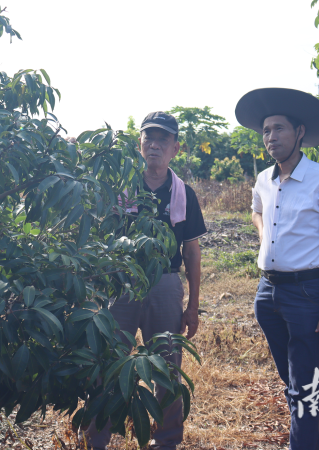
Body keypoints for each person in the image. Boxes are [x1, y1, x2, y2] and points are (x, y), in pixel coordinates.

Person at [235, 88, 319, 450]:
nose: (271, 137)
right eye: (266, 131)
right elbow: (256, 210)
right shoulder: (264, 180)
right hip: (267, 293)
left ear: (299, 132)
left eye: (279, 129)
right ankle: (302, 432)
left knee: (303, 385)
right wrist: (263, 234)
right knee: (294, 382)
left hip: (307, 294)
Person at [85, 112, 207, 450]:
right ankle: (96, 440)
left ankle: (165, 441)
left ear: (175, 148)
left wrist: (192, 306)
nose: (154, 144)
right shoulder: (121, 186)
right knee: (107, 364)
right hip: (121, 285)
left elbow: (192, 252)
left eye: (162, 139)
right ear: (139, 143)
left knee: (167, 367)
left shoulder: (184, 193)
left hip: (166, 285)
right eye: (148, 138)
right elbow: (99, 242)